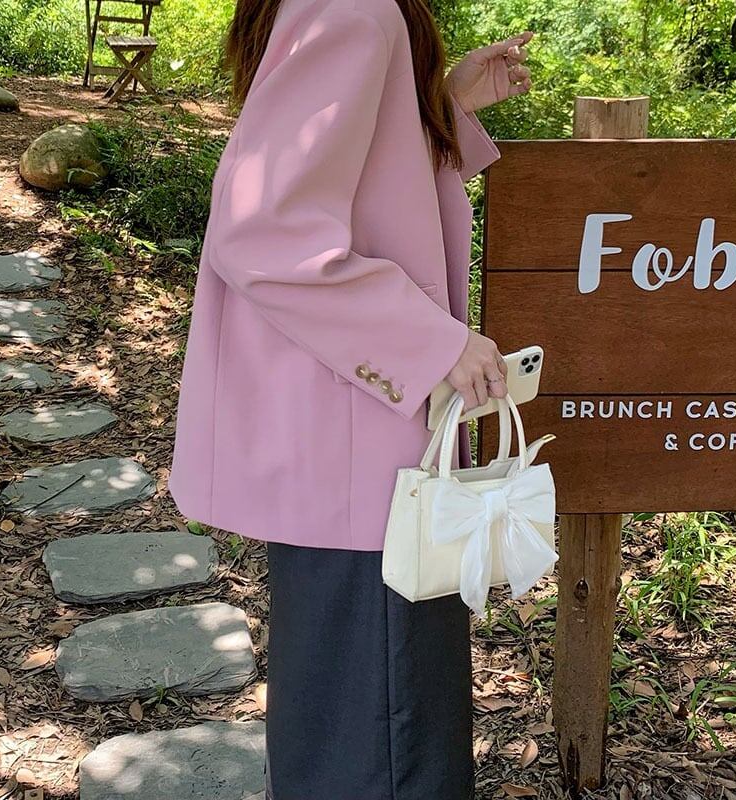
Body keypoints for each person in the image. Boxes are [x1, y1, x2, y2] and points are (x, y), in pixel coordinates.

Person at [168, 1, 532, 797]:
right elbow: (264, 229)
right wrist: (430, 344)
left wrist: (441, 104)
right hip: (360, 433)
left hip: (351, 429)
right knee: (382, 727)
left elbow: (362, 188)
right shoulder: (354, 11)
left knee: (359, 709)